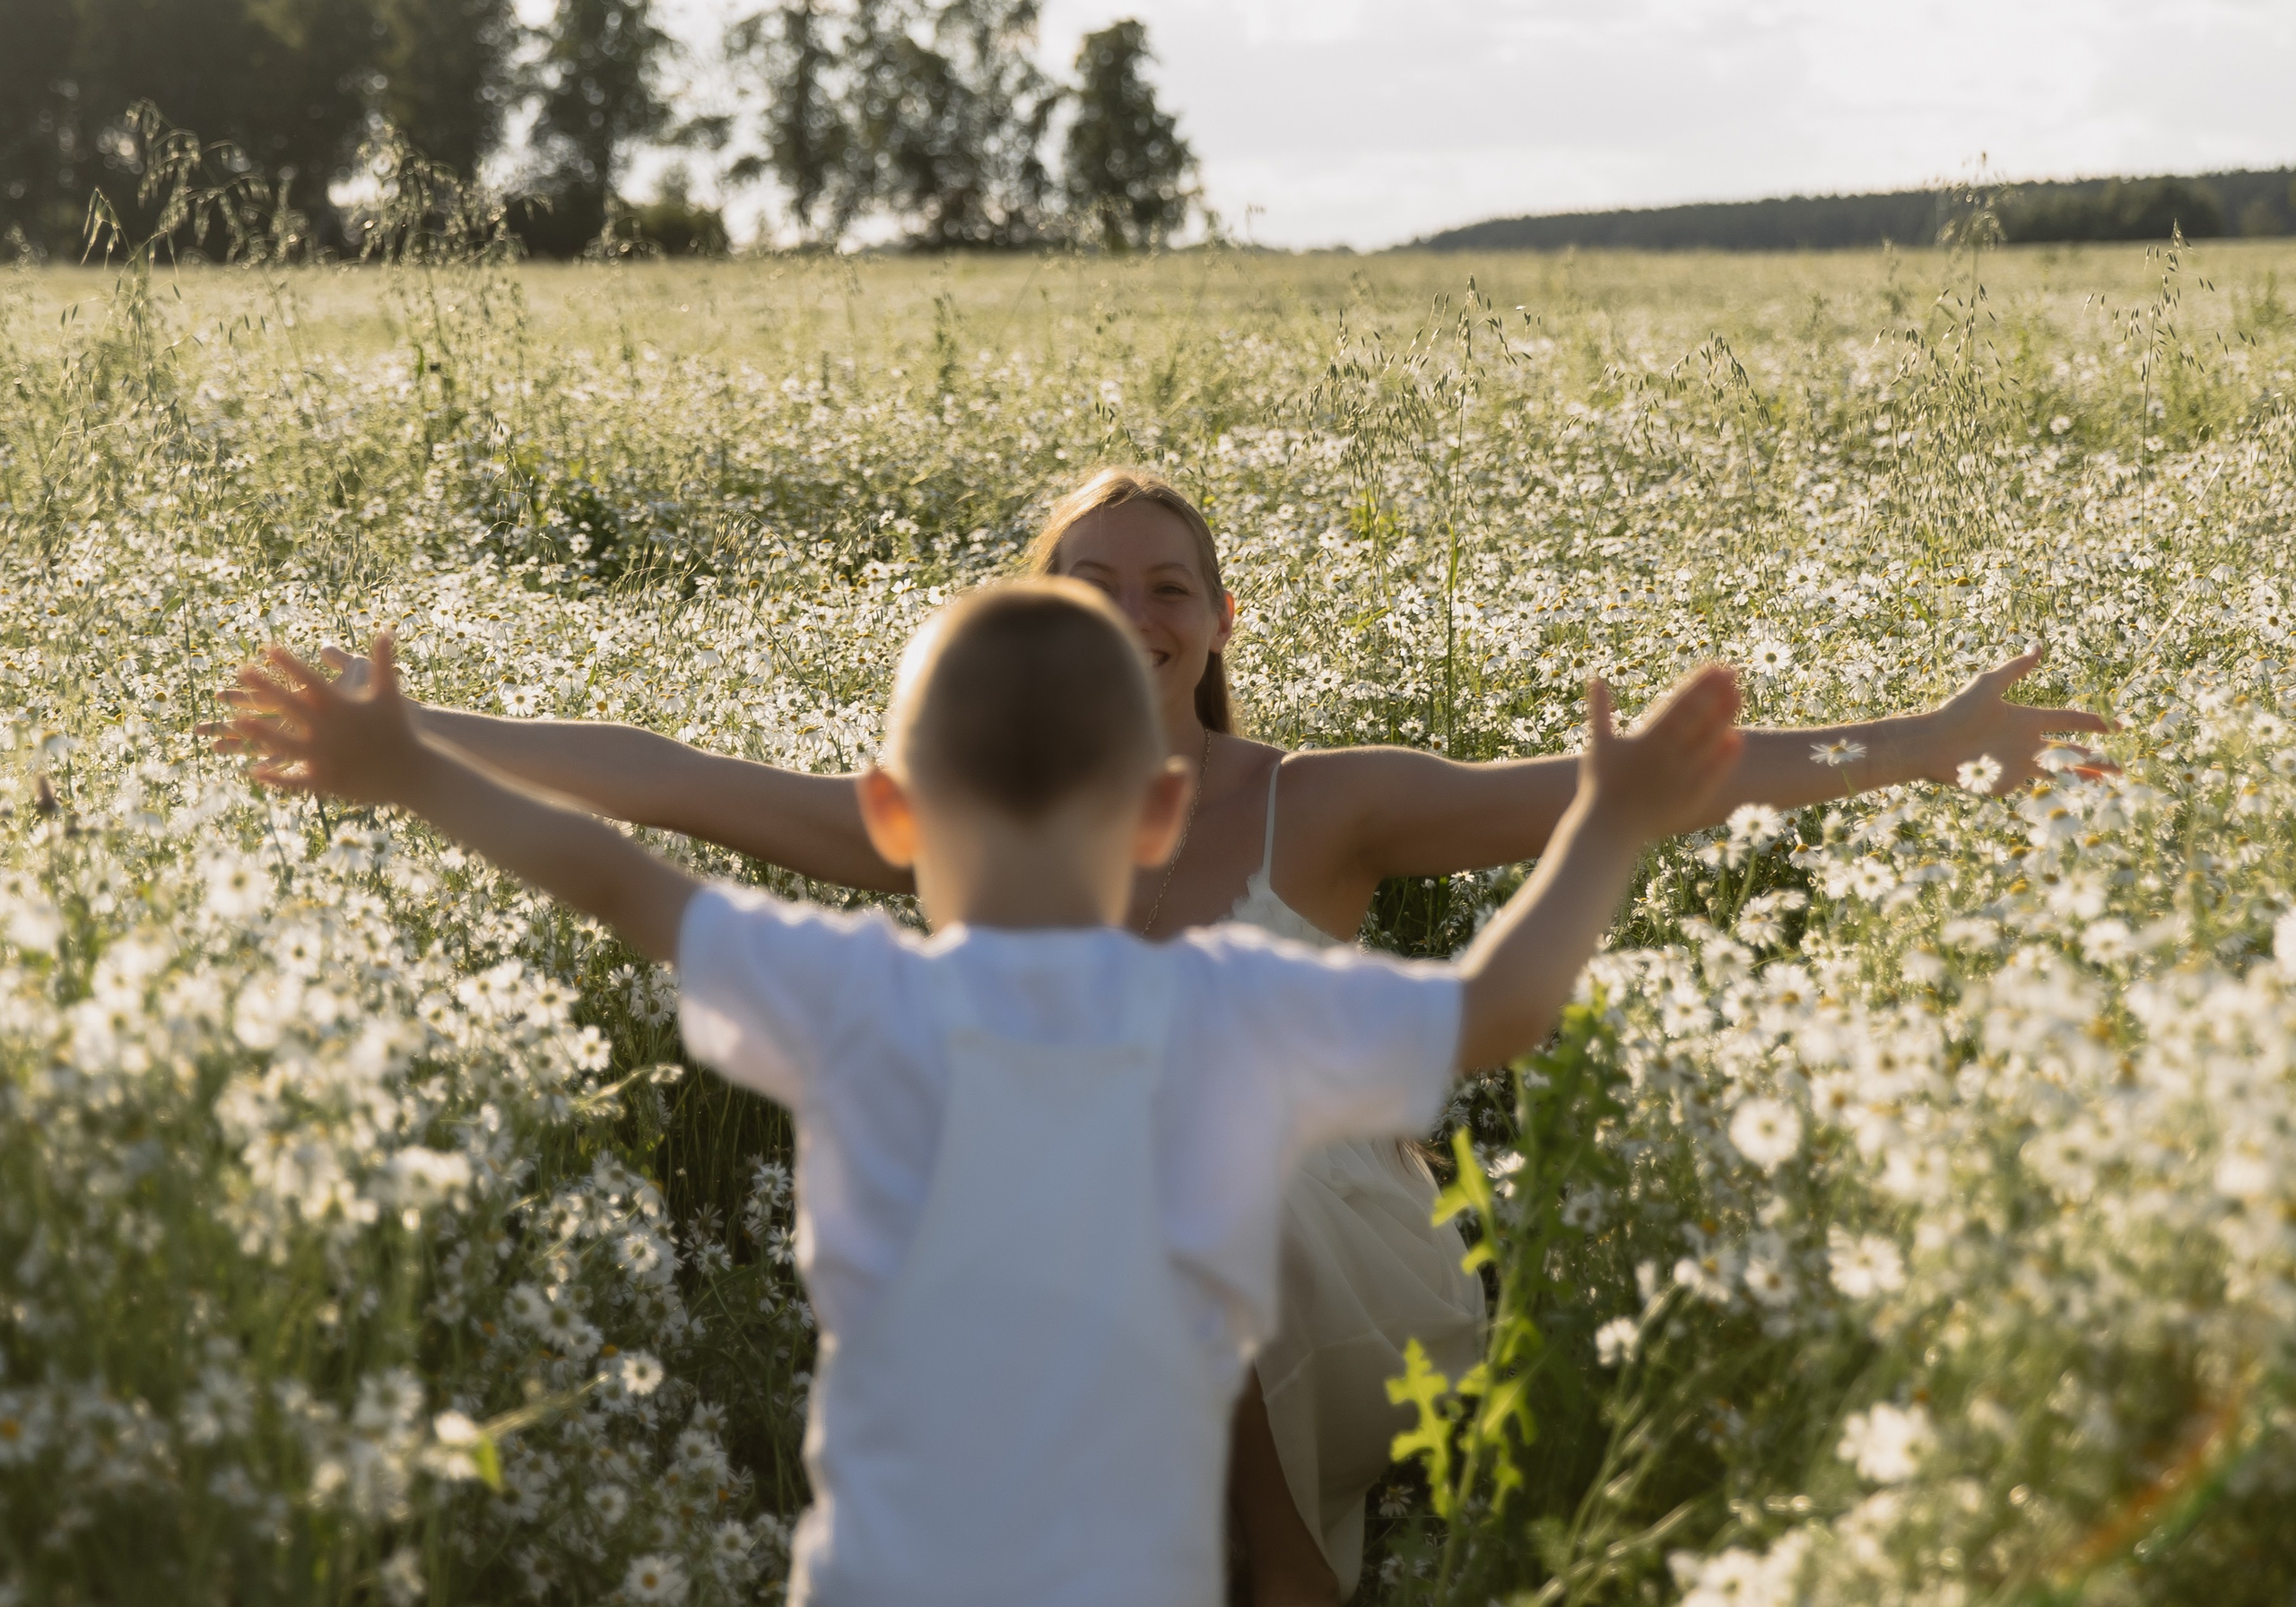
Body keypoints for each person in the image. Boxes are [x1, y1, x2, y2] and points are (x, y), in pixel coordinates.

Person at [222, 470, 2115, 1604]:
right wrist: (425, 736)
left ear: (1215, 627)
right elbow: (658, 786)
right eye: (1088, 586)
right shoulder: (1123, 937)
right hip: (1100, 1339)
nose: (1134, 613)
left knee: (1186, 1167)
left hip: (1343, 1291)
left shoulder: (1323, 804)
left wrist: (1930, 747)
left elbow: (1677, 776)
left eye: (1168, 585)